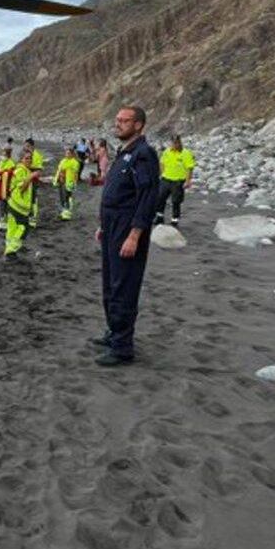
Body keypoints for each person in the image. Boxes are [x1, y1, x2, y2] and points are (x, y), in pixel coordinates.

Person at [91, 106, 159, 366]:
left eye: (124, 121)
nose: (117, 124)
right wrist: (103, 225)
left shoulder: (144, 155)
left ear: (139, 125)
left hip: (128, 229)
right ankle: (113, 333)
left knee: (124, 286)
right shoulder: (125, 152)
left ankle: (122, 348)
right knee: (110, 284)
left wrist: (135, 235)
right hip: (112, 227)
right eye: (117, 120)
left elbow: (147, 198)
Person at [4, 153, 40, 257]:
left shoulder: (24, 170)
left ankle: (9, 246)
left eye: (30, 158)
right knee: (24, 227)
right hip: (18, 205)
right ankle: (11, 249)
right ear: (21, 160)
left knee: (12, 226)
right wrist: (31, 176)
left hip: (13, 203)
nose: (29, 160)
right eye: (26, 158)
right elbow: (22, 188)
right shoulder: (21, 171)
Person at [155, 134, 195, 227]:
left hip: (178, 182)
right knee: (160, 199)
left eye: (176, 143)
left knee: (176, 202)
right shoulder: (167, 152)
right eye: (173, 143)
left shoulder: (186, 153)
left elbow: (190, 168)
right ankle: (159, 217)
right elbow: (162, 162)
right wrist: (161, 174)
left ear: (179, 142)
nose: (174, 145)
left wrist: (188, 181)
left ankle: (174, 220)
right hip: (165, 179)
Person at [22, 138, 45, 227]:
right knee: (26, 197)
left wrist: (29, 168)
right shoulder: (26, 154)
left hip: (33, 180)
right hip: (26, 178)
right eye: (25, 145)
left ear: (32, 146)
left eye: (27, 146)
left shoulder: (37, 155)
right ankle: (28, 215)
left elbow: (39, 169)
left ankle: (33, 218)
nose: (25, 147)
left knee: (33, 198)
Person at [52, 146, 80, 221]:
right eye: (66, 153)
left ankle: (67, 213)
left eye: (68, 153)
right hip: (61, 181)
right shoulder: (63, 161)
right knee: (62, 197)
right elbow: (58, 170)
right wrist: (55, 180)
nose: (67, 154)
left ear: (72, 154)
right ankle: (63, 211)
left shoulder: (75, 162)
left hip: (68, 182)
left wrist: (75, 183)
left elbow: (75, 174)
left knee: (67, 197)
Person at [0, 146, 16, 230]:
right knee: (3, 203)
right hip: (2, 185)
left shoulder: (11, 163)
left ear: (8, 154)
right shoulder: (2, 162)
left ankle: (4, 221)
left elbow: (9, 173)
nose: (2, 155)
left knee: (5, 203)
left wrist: (0, 172)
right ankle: (4, 220)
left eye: (4, 154)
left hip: (7, 187)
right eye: (2, 153)